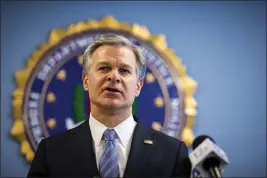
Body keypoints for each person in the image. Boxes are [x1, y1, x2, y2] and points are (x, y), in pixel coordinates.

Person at [27, 34, 191, 177]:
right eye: (104, 68)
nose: (114, 76)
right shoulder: (51, 151)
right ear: (86, 81)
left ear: (138, 86)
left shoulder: (172, 153)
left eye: (124, 70)